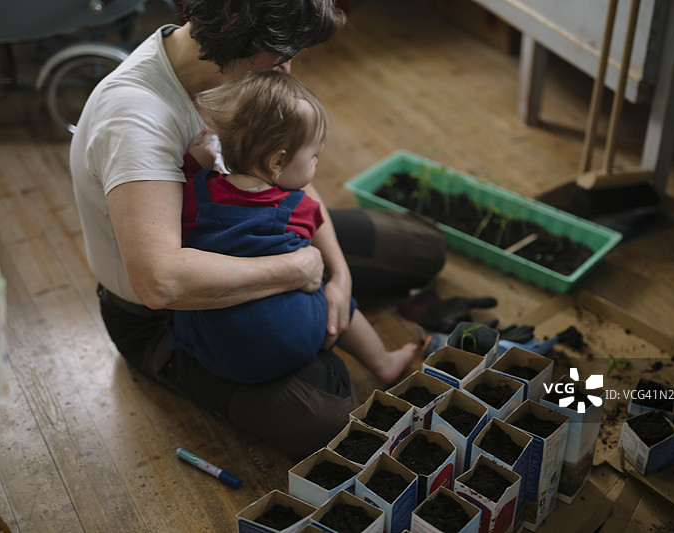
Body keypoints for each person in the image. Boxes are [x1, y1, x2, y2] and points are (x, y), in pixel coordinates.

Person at [70, 0, 445, 458]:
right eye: (281, 52)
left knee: (422, 249)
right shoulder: (136, 116)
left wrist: (338, 276)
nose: (288, 67)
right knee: (327, 419)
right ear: (234, 27)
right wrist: (301, 268)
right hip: (164, 317)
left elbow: (287, 180)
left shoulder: (235, 73)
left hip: (255, 236)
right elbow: (160, 282)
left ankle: (308, 329)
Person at [173, 70, 417, 386]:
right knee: (336, 295)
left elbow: (188, 170)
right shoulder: (295, 207)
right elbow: (316, 226)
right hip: (303, 336)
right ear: (277, 162)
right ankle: (383, 362)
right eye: (314, 155)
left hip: (224, 360)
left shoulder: (197, 194)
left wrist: (197, 155)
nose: (317, 163)